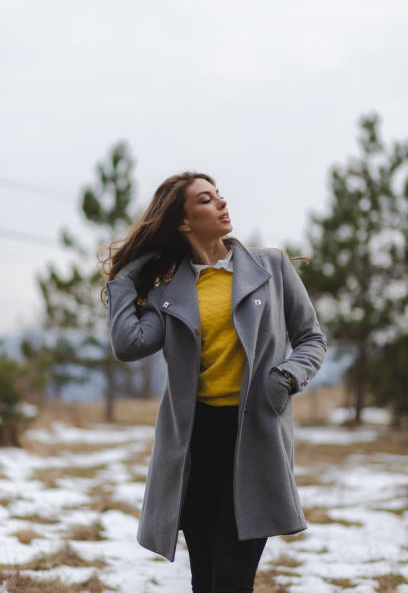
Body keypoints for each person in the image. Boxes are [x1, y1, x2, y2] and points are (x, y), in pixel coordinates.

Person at [101, 171, 327, 593]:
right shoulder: (169, 290)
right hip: (193, 447)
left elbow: (312, 339)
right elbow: (129, 344)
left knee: (231, 581)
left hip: (254, 440)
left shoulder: (271, 268)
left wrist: (288, 376)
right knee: (204, 580)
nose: (221, 203)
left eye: (219, 195)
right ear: (183, 222)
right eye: (206, 200)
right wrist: (124, 283)